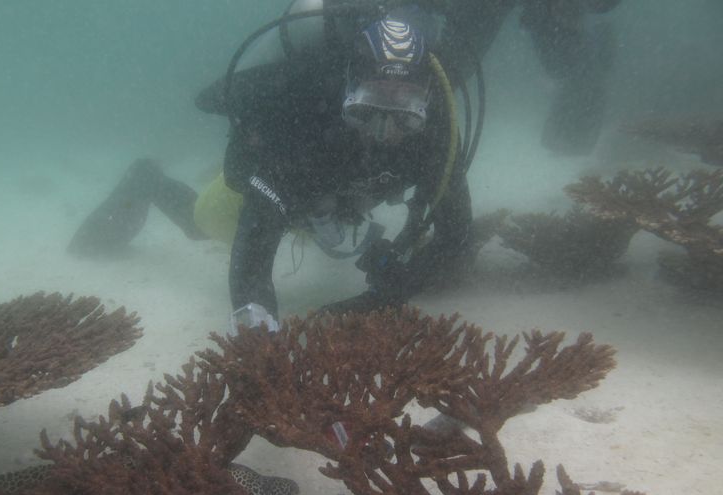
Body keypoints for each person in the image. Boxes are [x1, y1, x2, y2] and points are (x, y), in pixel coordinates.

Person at [68, 0, 622, 332]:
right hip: (286, 187)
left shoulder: (433, 135)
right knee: (205, 224)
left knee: (348, 229)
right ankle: (147, 180)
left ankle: (331, 221)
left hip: (342, 200)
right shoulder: (301, 134)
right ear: (345, 96)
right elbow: (252, 264)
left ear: (427, 102)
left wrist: (380, 296)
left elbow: (455, 242)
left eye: (404, 112)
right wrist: (260, 336)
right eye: (369, 110)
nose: (386, 130)